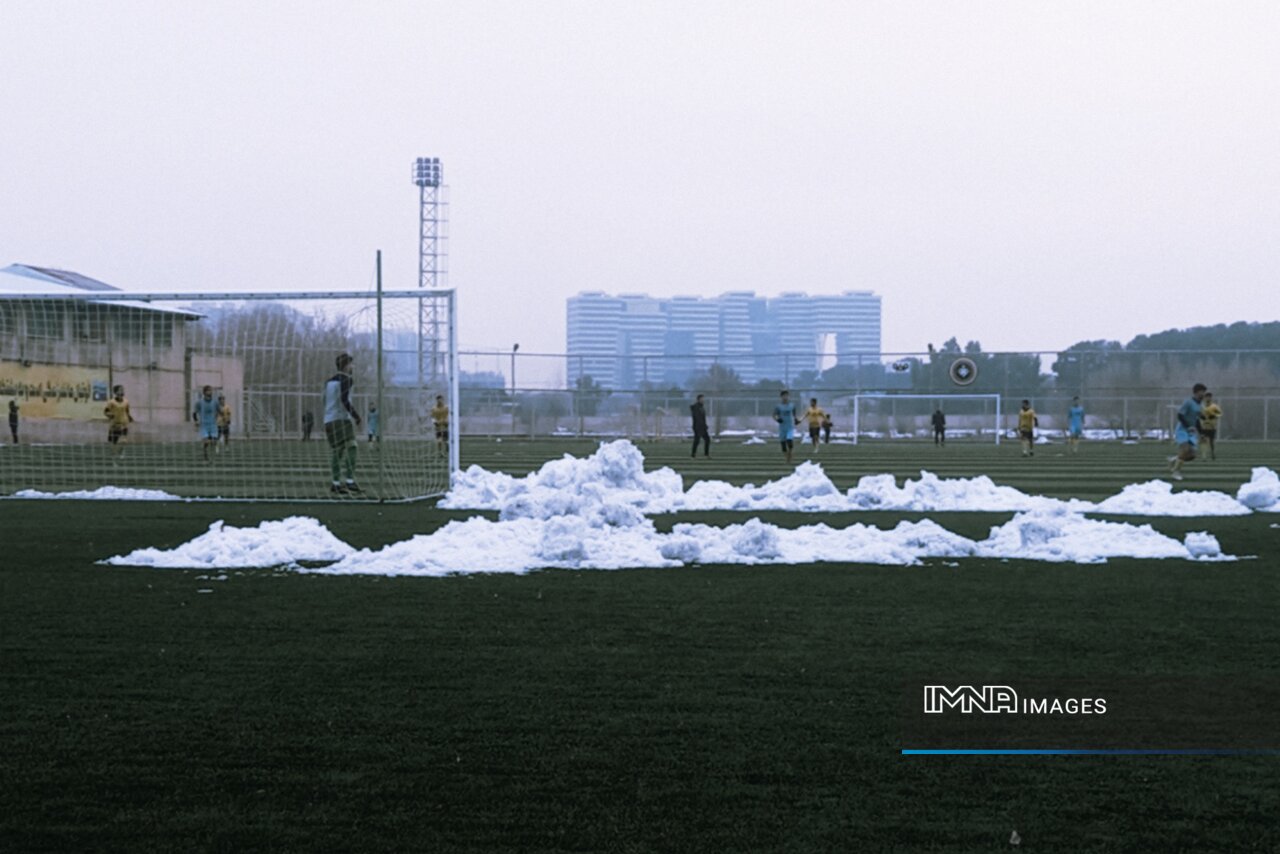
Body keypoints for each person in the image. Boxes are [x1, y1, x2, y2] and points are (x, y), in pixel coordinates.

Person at [323, 352, 362, 494]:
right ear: (346, 366)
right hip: (341, 419)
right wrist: (356, 416)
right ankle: (350, 481)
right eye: (351, 364)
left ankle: (335, 483)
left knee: (337, 451)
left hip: (328, 420)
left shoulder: (328, 382)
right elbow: (344, 400)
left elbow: (324, 400)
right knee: (352, 446)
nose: (353, 366)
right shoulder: (347, 379)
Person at [1169, 383, 1207, 480]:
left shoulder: (1200, 405)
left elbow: (1197, 420)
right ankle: (1175, 472)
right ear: (1196, 392)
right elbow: (1180, 415)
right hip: (1182, 430)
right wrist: (1188, 426)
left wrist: (1201, 433)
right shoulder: (1188, 402)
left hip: (1192, 432)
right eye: (1202, 392)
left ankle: (1174, 460)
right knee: (1185, 450)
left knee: (1191, 455)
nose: (1203, 394)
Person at [103, 384, 134, 459]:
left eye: (122, 390)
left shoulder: (126, 401)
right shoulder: (111, 402)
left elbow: (126, 411)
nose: (122, 391)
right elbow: (105, 411)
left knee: (124, 441)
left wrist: (130, 417)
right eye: (120, 390)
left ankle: (121, 452)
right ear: (116, 392)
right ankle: (114, 456)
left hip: (124, 424)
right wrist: (110, 415)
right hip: (115, 425)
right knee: (113, 443)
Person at [773, 390, 801, 465]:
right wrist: (777, 419)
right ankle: (787, 457)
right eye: (784, 396)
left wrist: (796, 420)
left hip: (789, 427)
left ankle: (790, 456)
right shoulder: (778, 406)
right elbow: (774, 415)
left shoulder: (792, 405)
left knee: (789, 441)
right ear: (781, 397)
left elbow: (794, 415)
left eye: (787, 396)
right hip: (782, 428)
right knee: (783, 446)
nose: (785, 397)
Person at [193, 386, 220, 462]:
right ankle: (205, 456)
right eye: (208, 391)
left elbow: (219, 411)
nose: (210, 392)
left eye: (211, 391)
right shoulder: (199, 402)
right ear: (204, 392)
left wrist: (218, 417)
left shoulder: (215, 402)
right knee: (206, 441)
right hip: (204, 425)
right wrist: (196, 422)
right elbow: (194, 413)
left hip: (213, 424)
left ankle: (213, 455)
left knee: (213, 441)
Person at [1198, 392, 1223, 461]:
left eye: (1209, 397)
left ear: (1211, 398)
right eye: (1206, 397)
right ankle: (1204, 456)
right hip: (1204, 427)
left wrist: (1214, 415)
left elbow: (1220, 414)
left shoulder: (1214, 406)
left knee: (1212, 442)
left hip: (1212, 426)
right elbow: (1198, 414)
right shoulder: (1201, 406)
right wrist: (1201, 417)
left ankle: (1213, 453)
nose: (1208, 398)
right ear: (1204, 398)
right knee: (1203, 441)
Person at [690, 393, 710, 458]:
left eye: (703, 399)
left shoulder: (701, 407)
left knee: (707, 440)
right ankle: (693, 454)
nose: (703, 400)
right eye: (702, 399)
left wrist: (705, 425)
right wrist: (703, 426)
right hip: (698, 427)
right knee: (697, 441)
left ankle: (705, 454)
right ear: (698, 399)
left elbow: (702, 418)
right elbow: (698, 418)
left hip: (702, 427)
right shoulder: (696, 407)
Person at [430, 394, 449, 458]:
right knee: (439, 441)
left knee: (446, 441)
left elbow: (449, 415)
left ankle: (447, 449)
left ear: (443, 400)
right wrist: (435, 422)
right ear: (436, 400)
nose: (439, 401)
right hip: (438, 428)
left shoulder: (446, 407)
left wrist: (447, 421)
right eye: (438, 400)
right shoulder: (434, 408)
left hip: (445, 427)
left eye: (441, 400)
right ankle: (440, 453)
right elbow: (432, 417)